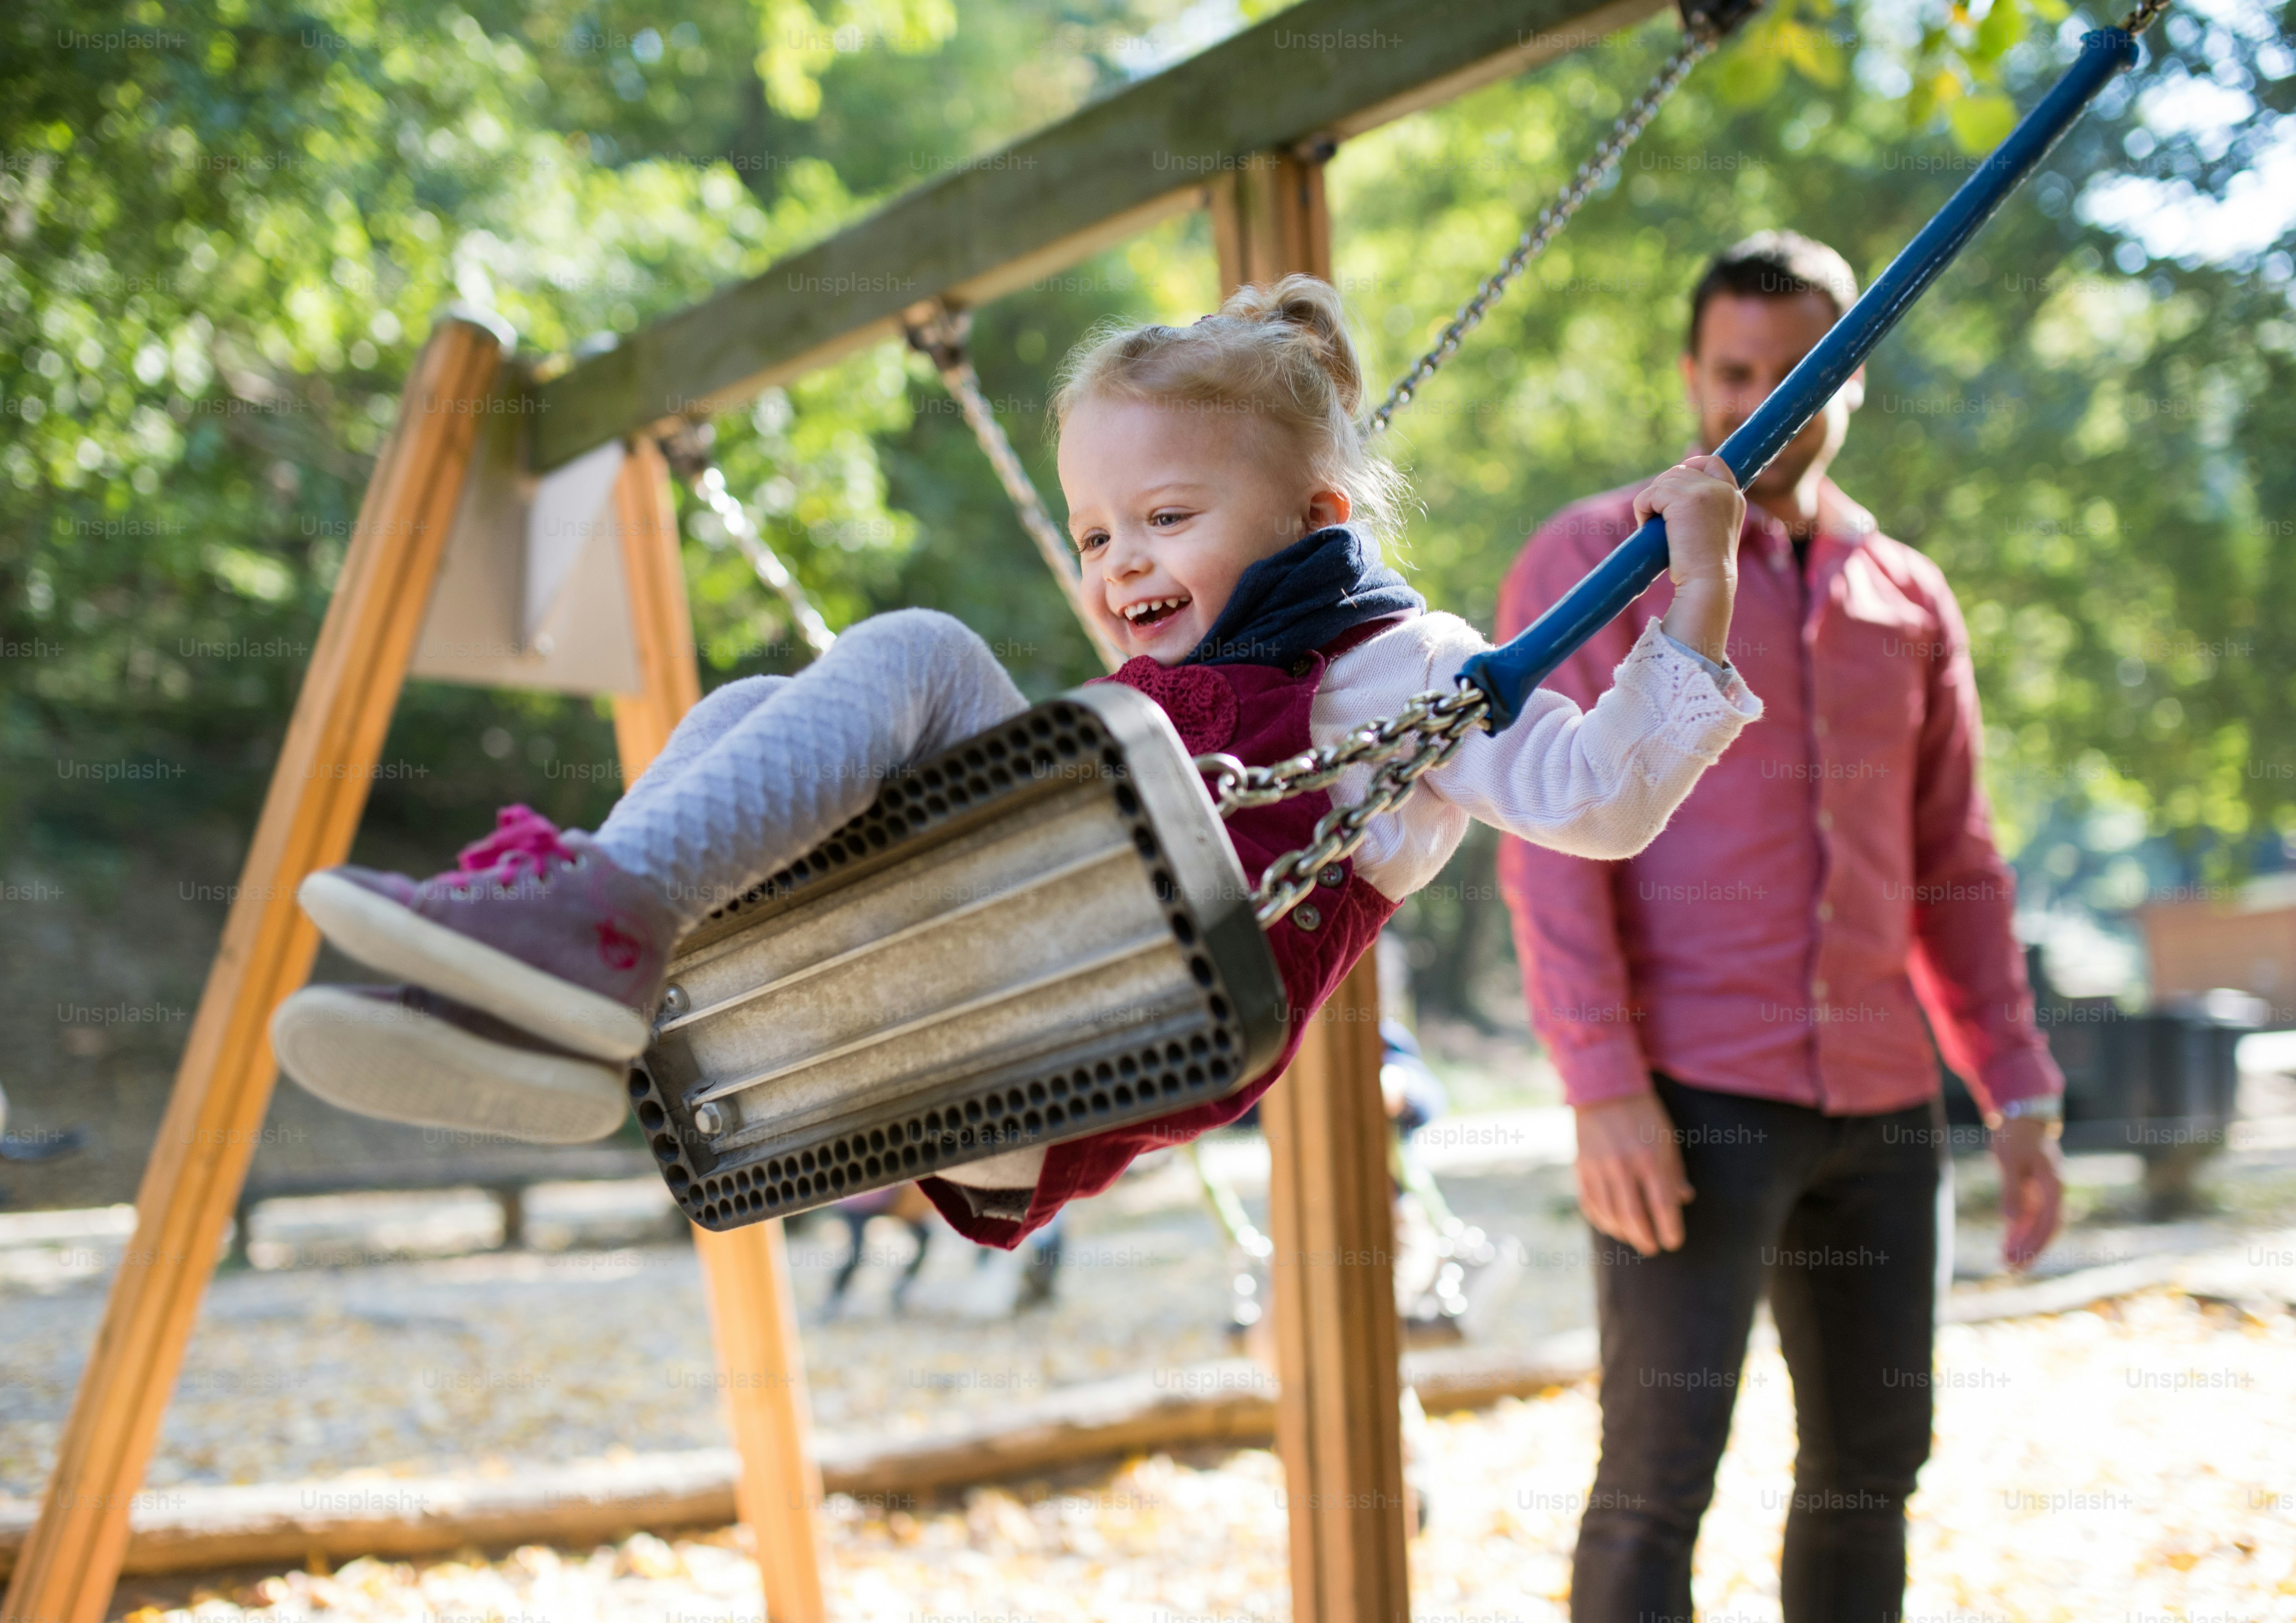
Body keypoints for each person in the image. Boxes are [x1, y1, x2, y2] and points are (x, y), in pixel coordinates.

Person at [271, 273, 1762, 1247]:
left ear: (1317, 516)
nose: (1122, 565)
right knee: (738, 712)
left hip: (1133, 1005)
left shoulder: (1401, 660)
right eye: (1100, 531)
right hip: (1012, 1027)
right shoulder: (1193, 667)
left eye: (1168, 516)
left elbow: (1600, 798)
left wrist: (1698, 587)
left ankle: (588, 926)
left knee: (919, 649)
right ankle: (569, 996)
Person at [1495, 232, 2067, 1623]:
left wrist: (2017, 1081)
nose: (1764, 402)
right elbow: (1554, 856)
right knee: (1655, 1478)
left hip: (1881, 1107)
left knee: (1873, 1467)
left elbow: (1956, 859)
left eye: (1800, 371)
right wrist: (1603, 1087)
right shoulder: (1593, 561)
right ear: (1693, 375)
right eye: (1735, 373)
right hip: (1691, 1103)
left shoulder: (1908, 596)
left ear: (1850, 378)